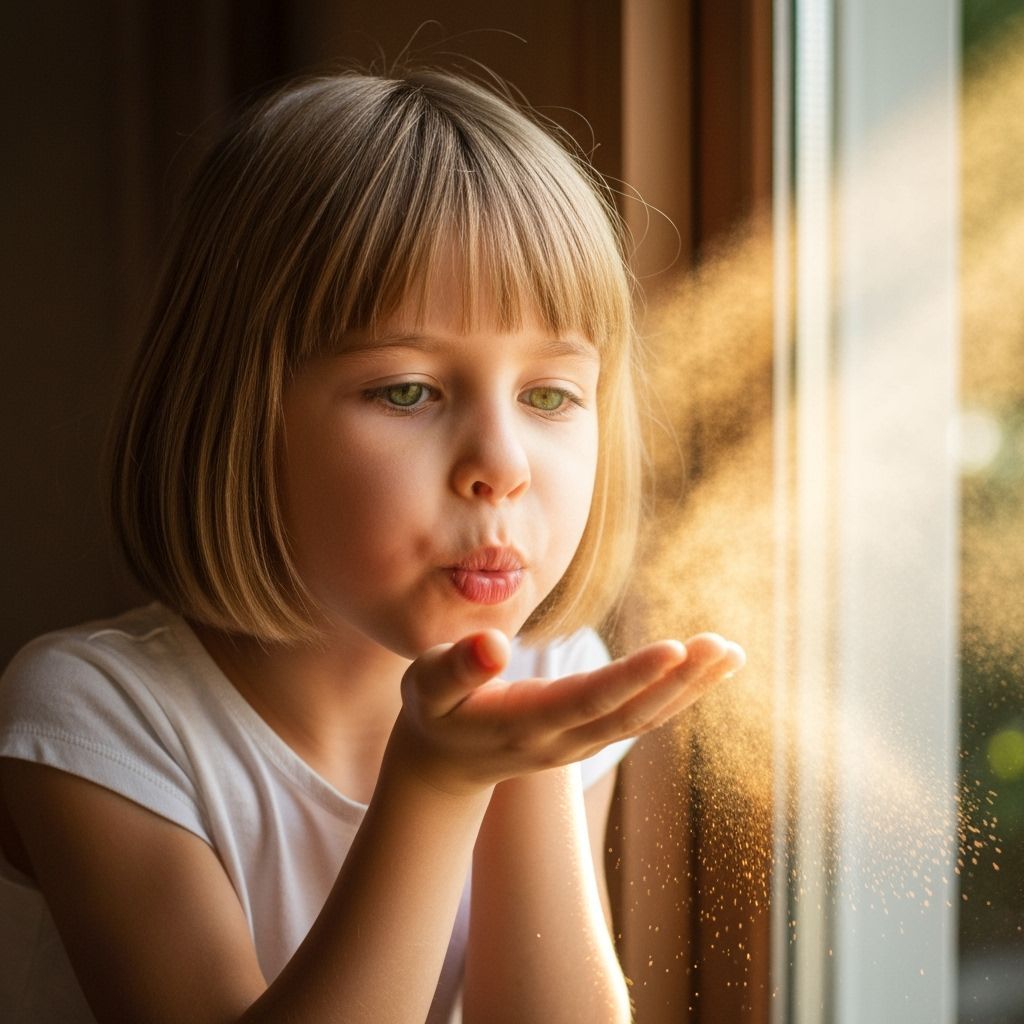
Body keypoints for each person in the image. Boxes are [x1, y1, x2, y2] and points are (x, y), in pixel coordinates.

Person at [0, 68, 744, 1024]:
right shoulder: (92, 724)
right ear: (240, 416)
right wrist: (440, 779)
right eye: (407, 391)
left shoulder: (557, 672)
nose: (500, 466)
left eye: (549, 395)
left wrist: (522, 758)